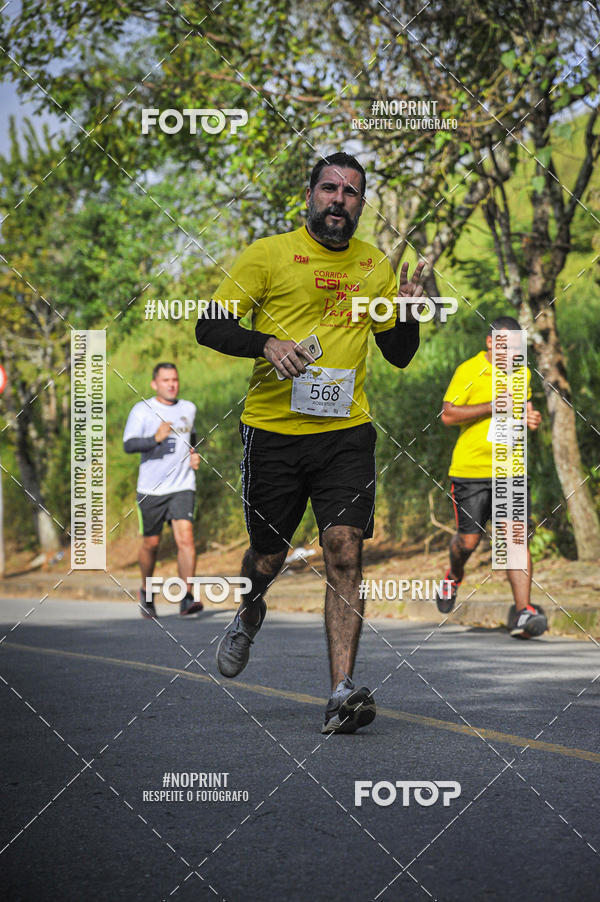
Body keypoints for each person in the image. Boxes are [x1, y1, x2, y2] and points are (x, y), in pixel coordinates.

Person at [195, 151, 425, 733]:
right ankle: (250, 609)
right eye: (329, 189)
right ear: (310, 195)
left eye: (351, 193)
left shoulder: (375, 266)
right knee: (268, 555)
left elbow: (398, 354)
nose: (338, 201)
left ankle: (341, 691)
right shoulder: (267, 254)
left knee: (344, 548)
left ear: (361, 204)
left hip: (346, 433)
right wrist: (265, 343)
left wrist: (408, 313)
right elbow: (209, 325)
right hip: (273, 432)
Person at [435, 316, 547, 638]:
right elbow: (447, 414)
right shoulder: (469, 370)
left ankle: (524, 613)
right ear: (490, 342)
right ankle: (454, 576)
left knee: (515, 538)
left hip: (510, 469)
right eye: (506, 347)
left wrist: (531, 418)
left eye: (517, 348)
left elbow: (524, 408)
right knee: (468, 541)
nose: (513, 354)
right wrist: (490, 406)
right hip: (470, 471)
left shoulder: (522, 373)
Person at [123, 362, 203, 619]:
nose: (171, 384)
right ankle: (146, 592)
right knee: (151, 544)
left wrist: (194, 454)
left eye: (175, 379)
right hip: (151, 489)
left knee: (186, 539)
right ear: (154, 384)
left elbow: (192, 437)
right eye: (166, 380)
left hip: (182, 484)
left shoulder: (188, 408)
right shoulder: (142, 410)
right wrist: (155, 439)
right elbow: (128, 445)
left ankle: (187, 597)